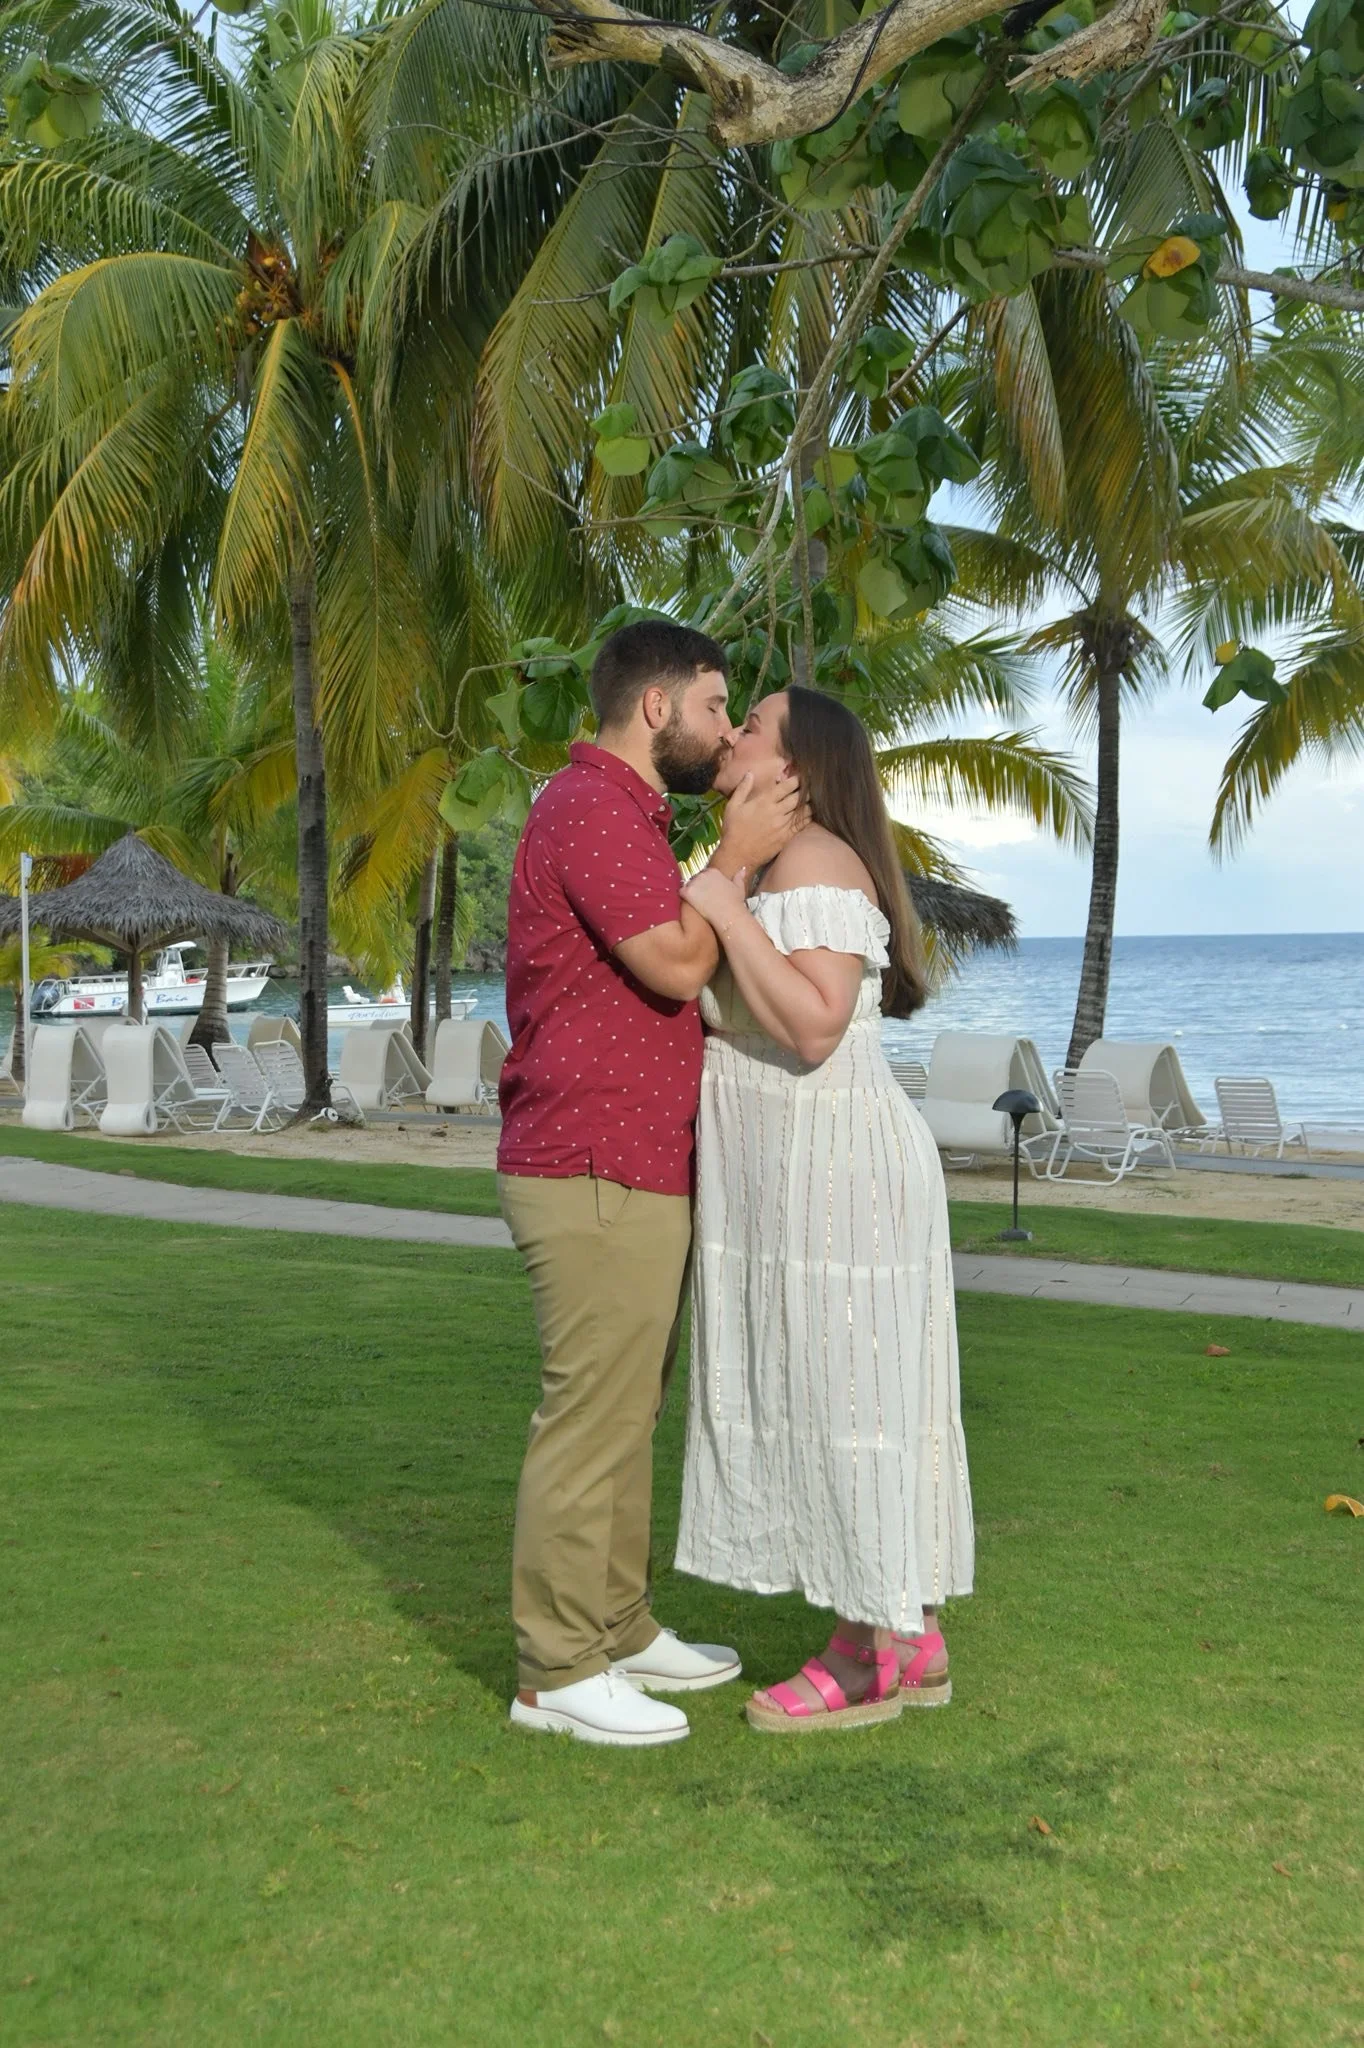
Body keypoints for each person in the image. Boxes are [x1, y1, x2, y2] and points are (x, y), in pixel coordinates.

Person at [498, 620, 802, 1748]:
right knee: (589, 1417)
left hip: (628, 1162)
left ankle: (616, 1627)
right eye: (719, 707)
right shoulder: (586, 807)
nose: (727, 730)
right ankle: (556, 1669)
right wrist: (730, 857)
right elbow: (675, 960)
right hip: (588, 1162)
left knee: (627, 1413)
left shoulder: (624, 816)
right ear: (659, 708)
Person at [676, 684, 974, 1733]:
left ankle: (868, 1649)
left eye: (749, 724)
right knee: (854, 1393)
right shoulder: (768, 863)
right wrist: (722, 877)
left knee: (849, 1397)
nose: (729, 734)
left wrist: (717, 900)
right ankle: (912, 1628)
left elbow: (811, 1023)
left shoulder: (810, 863)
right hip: (800, 1167)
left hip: (836, 1170)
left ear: (796, 768)